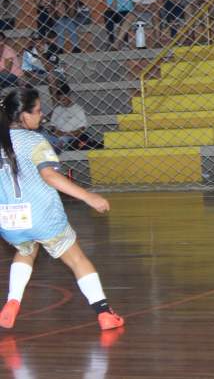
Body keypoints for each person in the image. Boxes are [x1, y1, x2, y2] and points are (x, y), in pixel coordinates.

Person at [0, 88, 123, 331]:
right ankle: (104, 313)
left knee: (26, 250)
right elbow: (49, 176)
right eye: (37, 110)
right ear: (23, 115)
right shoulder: (34, 141)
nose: (42, 114)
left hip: (10, 220)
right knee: (77, 259)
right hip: (42, 215)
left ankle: (12, 302)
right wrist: (88, 196)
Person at [46, 83, 90, 152]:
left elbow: (81, 129)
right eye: (59, 100)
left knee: (66, 139)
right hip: (58, 136)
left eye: (63, 100)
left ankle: (58, 147)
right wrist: (57, 132)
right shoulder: (57, 109)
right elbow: (52, 127)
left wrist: (67, 134)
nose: (61, 102)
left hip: (72, 137)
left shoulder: (78, 109)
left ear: (69, 97)